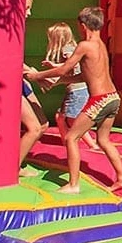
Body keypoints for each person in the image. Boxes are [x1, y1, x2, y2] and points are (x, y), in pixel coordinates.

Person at [25, 7, 122, 194]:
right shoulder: (101, 46)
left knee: (71, 137)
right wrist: (57, 82)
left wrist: (36, 75)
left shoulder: (84, 45)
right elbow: (84, 76)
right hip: (113, 97)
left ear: (82, 26)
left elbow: (64, 69)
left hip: (100, 99)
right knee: (104, 140)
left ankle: (73, 184)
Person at [43, 21, 99, 153]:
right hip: (78, 89)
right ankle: (66, 142)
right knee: (60, 117)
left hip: (77, 90)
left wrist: (53, 66)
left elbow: (71, 65)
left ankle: (90, 144)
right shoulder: (72, 47)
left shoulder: (67, 49)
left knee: (73, 120)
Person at [19, 0, 46, 171]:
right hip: (13, 84)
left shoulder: (20, 28)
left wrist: (34, 74)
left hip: (22, 81)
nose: (29, 13)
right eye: (27, 8)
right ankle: (13, 168)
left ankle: (17, 157)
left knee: (43, 124)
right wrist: (34, 74)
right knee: (35, 128)